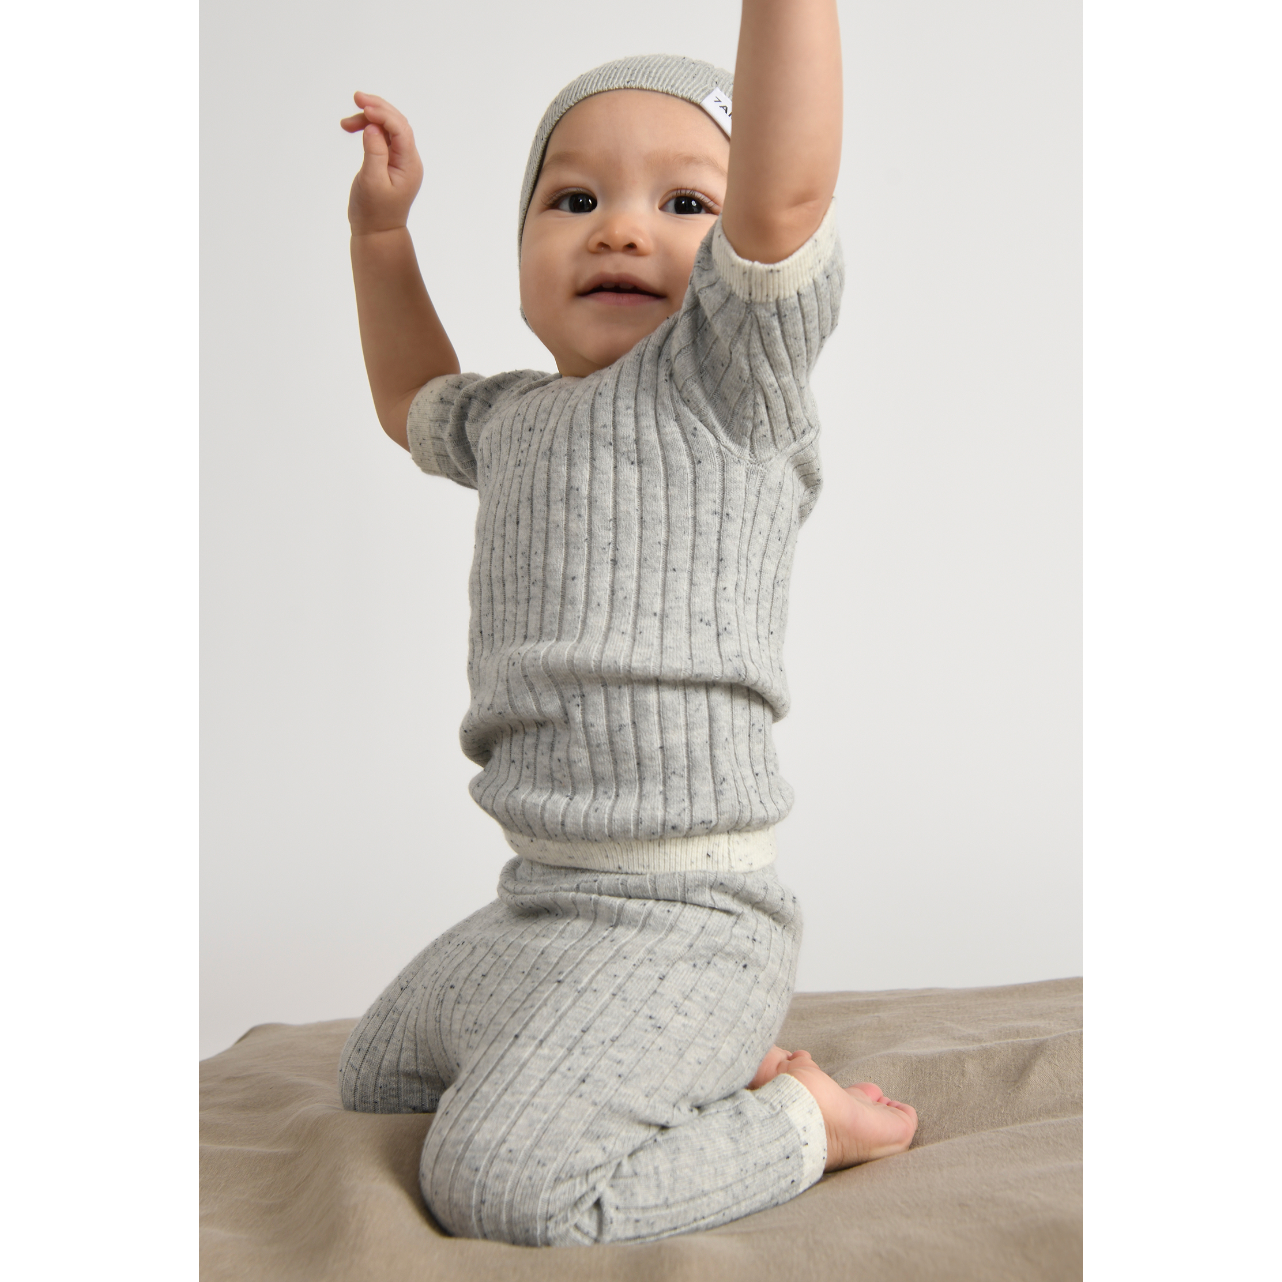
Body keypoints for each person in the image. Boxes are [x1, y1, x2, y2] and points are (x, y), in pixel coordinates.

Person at [336, 0, 918, 1247]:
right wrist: (381, 234)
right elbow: (407, 397)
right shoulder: (510, 419)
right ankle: (631, 1053)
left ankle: (804, 1117)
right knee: (376, 1077)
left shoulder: (727, 383)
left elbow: (785, 196)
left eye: (685, 201)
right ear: (524, 248)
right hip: (540, 897)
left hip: (683, 913)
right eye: (575, 198)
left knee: (502, 1185)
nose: (620, 226)